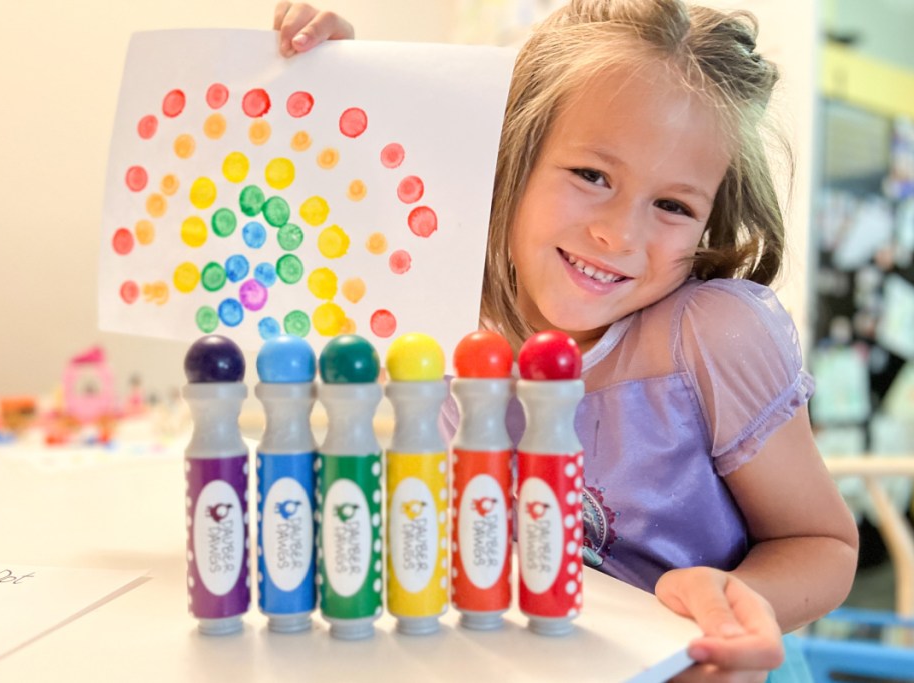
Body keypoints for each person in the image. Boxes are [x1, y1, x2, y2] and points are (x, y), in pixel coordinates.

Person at [273, 2, 860, 681]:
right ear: (512, 155)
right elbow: (353, 196)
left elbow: (822, 541)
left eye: (673, 205)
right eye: (592, 175)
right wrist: (328, 82)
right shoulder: (449, 317)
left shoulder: (712, 337)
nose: (620, 234)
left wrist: (738, 605)